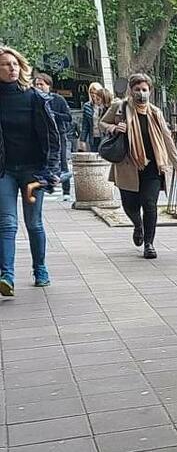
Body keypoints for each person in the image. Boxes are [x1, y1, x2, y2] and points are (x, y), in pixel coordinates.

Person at [101, 73, 177, 259]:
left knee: (150, 204)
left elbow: (167, 139)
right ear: (131, 90)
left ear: (150, 91)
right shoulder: (119, 107)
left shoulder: (155, 113)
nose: (141, 93)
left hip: (153, 167)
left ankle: (149, 243)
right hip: (127, 166)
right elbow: (103, 122)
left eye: (144, 90)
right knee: (130, 206)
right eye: (137, 89)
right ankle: (137, 225)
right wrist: (114, 128)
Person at [0, 45, 61, 296]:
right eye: (5, 64)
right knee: (6, 223)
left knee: (33, 222)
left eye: (14, 64)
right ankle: (7, 276)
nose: (11, 68)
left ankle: (40, 268)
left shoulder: (35, 97)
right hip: (4, 171)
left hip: (33, 172)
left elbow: (54, 136)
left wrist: (52, 169)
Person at [32, 72, 73, 202]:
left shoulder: (58, 99)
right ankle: (46, 185)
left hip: (58, 134)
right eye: (37, 84)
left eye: (41, 84)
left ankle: (66, 191)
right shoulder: (33, 99)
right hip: (40, 136)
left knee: (62, 161)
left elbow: (68, 117)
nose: (39, 86)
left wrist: (52, 114)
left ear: (48, 85)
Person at [80, 82, 106, 152]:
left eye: (95, 92)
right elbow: (85, 126)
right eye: (91, 92)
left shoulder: (105, 105)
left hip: (104, 136)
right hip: (93, 137)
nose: (93, 95)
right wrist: (82, 140)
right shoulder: (87, 106)